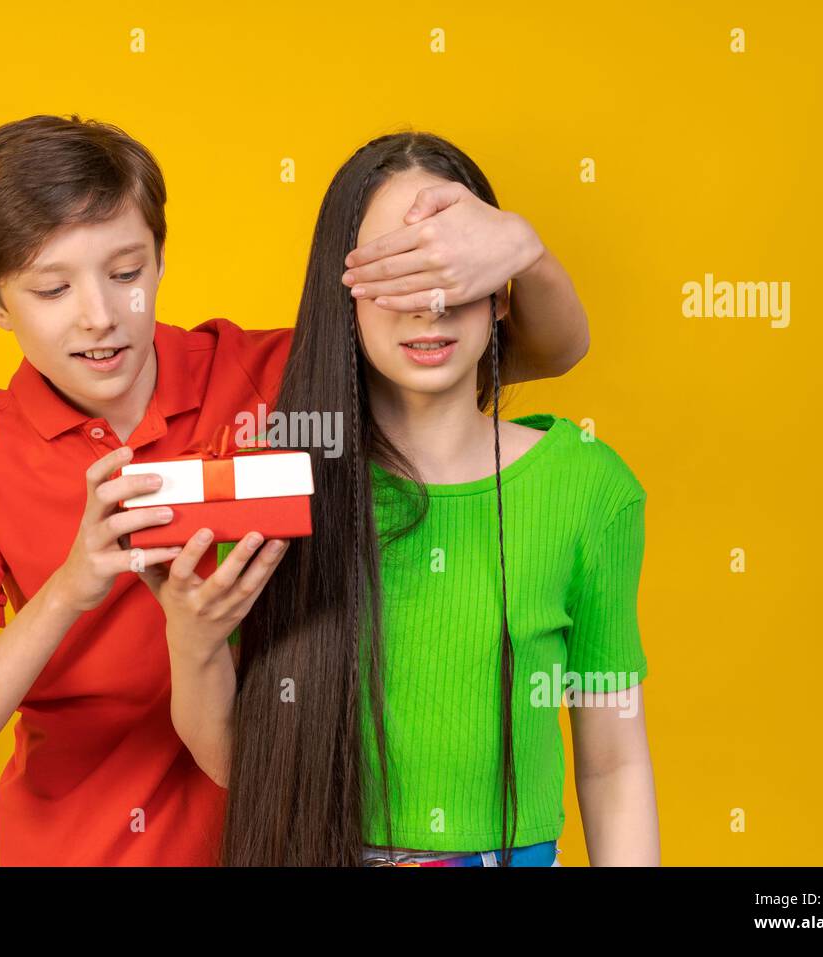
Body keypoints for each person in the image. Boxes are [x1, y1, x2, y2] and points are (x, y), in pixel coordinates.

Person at [0, 114, 594, 865]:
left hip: (276, 840)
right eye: (52, 287)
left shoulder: (271, 377)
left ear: (161, 258)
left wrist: (525, 250)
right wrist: (71, 587)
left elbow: (529, 352)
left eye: (126, 273)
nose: (99, 315)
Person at [148, 131, 660, 867]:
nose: (430, 302)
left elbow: (615, 765)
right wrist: (190, 642)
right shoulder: (278, 488)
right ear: (342, 293)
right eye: (397, 268)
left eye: (455, 263)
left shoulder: (587, 488)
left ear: (501, 288)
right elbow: (238, 760)